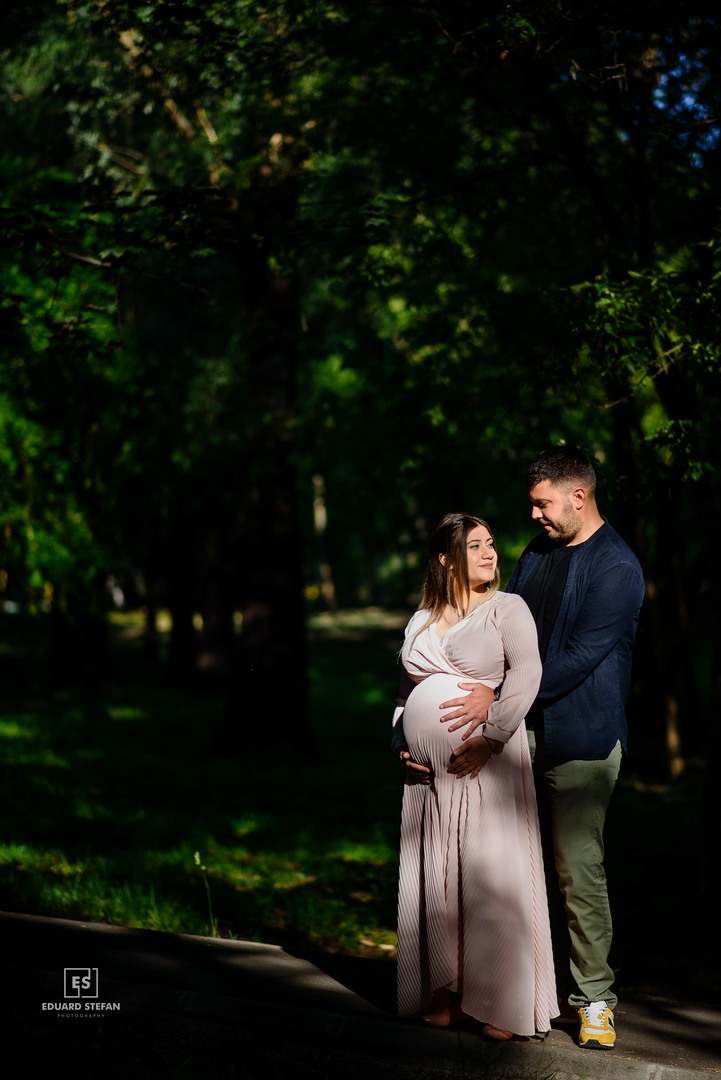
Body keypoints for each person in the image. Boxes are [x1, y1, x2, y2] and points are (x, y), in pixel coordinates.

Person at [435, 447, 645, 1051]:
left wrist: (498, 692)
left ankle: (595, 1000)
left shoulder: (617, 568)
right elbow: (502, 629)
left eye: (543, 503)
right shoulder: (538, 555)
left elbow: (577, 660)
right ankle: (511, 991)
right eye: (533, 504)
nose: (534, 515)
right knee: (506, 871)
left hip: (581, 739)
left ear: (579, 497)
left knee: (576, 872)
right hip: (518, 732)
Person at [391, 512, 558, 1041]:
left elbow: (527, 675)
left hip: (487, 764)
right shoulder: (421, 619)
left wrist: (491, 737)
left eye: (491, 545)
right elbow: (403, 693)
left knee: (490, 877)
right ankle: (452, 995)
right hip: (428, 782)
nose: (489, 554)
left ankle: (502, 1004)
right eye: (475, 547)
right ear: (445, 559)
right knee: (440, 881)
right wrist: (401, 742)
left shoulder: (507, 608)